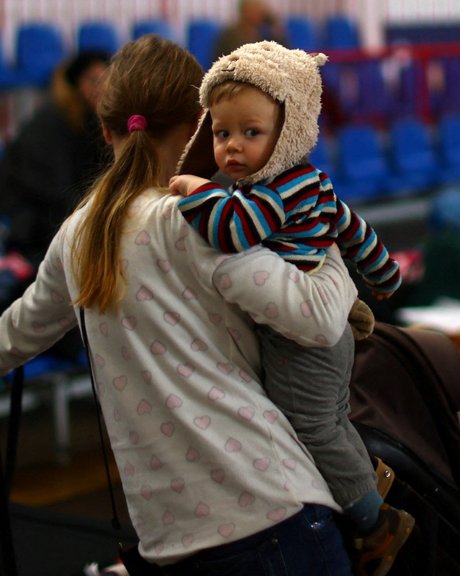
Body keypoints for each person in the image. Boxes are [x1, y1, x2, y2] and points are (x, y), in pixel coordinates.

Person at [0, 34, 370, 575]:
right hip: (272, 514)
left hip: (170, 541)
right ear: (200, 127)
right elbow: (316, 321)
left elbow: (13, 336)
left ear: (105, 130)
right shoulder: (198, 223)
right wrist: (328, 245)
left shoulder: (74, 237)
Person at [169, 40, 411, 576]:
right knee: (330, 421)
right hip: (321, 334)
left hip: (303, 341)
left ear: (291, 130)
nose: (232, 147)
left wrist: (192, 190)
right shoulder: (313, 181)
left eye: (251, 133)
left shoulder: (272, 194)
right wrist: (385, 275)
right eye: (221, 132)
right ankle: (364, 491)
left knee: (313, 428)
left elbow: (232, 231)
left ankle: (375, 522)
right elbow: (355, 229)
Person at [0, 50, 111, 267]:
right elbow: (56, 192)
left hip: (57, 214)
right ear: (78, 85)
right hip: (32, 224)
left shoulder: (87, 121)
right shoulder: (51, 124)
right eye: (94, 80)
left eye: (108, 80)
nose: (102, 88)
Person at [213, 0, 286, 58]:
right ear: (244, 11)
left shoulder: (265, 35)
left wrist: (274, 23)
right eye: (255, 8)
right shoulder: (228, 36)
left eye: (260, 9)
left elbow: (284, 53)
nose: (260, 12)